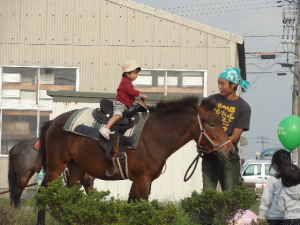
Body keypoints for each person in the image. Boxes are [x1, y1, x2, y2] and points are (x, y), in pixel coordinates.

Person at [202, 67, 251, 191]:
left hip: (229, 156)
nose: (219, 86)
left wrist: (217, 146)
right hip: (209, 156)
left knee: (230, 196)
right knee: (208, 195)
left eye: (222, 83)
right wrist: (202, 144)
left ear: (234, 84)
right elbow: (201, 125)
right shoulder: (211, 100)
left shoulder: (244, 107)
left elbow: (235, 136)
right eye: (218, 83)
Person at [100, 60, 148, 140]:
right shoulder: (125, 81)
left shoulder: (128, 82)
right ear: (127, 73)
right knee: (118, 115)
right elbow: (130, 91)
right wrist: (140, 94)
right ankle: (105, 129)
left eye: (137, 73)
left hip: (126, 104)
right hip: (120, 104)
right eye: (134, 73)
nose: (136, 75)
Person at [258, 149, 292, 225]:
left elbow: (266, 199)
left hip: (274, 218)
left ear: (275, 165)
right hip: (290, 217)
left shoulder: (273, 179)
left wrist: (261, 216)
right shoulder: (293, 179)